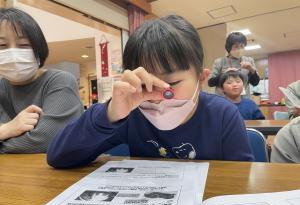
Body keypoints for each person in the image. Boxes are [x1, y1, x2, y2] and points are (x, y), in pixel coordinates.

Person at [47, 15, 253, 168]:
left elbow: (240, 179)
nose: (156, 97)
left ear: (201, 78)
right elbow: (59, 157)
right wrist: (109, 113)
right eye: (145, 85)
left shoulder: (223, 115)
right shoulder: (132, 115)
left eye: (170, 84)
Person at [0, 8, 83, 153]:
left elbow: (47, 141)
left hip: (59, 172)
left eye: (24, 45)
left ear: (38, 48)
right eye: (2, 46)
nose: (13, 52)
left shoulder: (60, 81)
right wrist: (8, 129)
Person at [208, 32, 260, 97]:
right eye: (236, 46)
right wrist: (225, 74)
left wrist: (251, 69)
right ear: (229, 47)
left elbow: (255, 83)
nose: (239, 49)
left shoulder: (249, 60)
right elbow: (210, 83)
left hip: (243, 100)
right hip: (224, 101)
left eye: (242, 46)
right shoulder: (220, 62)